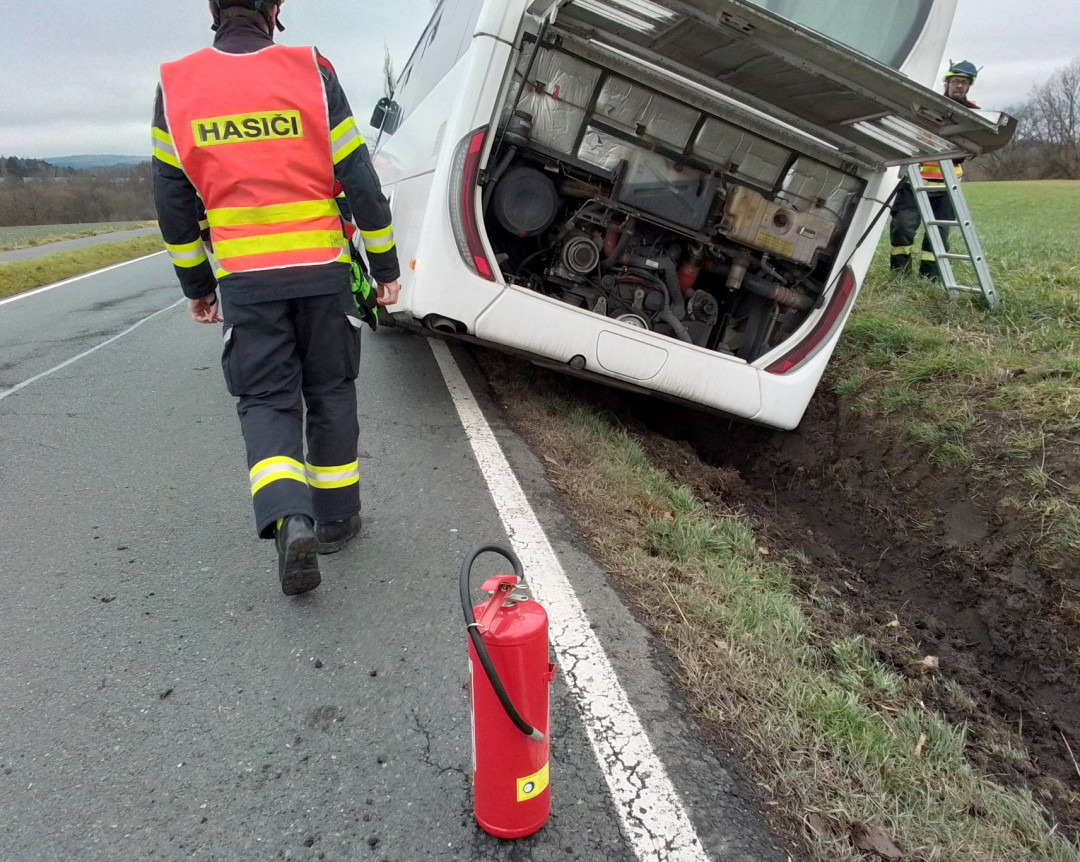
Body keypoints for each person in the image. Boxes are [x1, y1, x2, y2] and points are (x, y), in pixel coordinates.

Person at [151, 0, 400, 596]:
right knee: (330, 389)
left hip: (247, 283)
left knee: (266, 400)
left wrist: (198, 286)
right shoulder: (310, 70)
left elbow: (172, 201)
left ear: (214, 8)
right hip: (322, 273)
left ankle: (291, 516)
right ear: (276, 8)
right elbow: (359, 176)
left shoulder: (176, 85)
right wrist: (386, 264)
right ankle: (338, 519)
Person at [889, 60, 980, 280]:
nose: (959, 86)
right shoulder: (927, 108)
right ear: (946, 83)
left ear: (969, 87)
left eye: (964, 83)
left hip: (946, 187)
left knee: (938, 236)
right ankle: (899, 276)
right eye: (956, 81)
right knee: (903, 228)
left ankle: (930, 278)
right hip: (915, 183)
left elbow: (971, 150)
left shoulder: (976, 114)